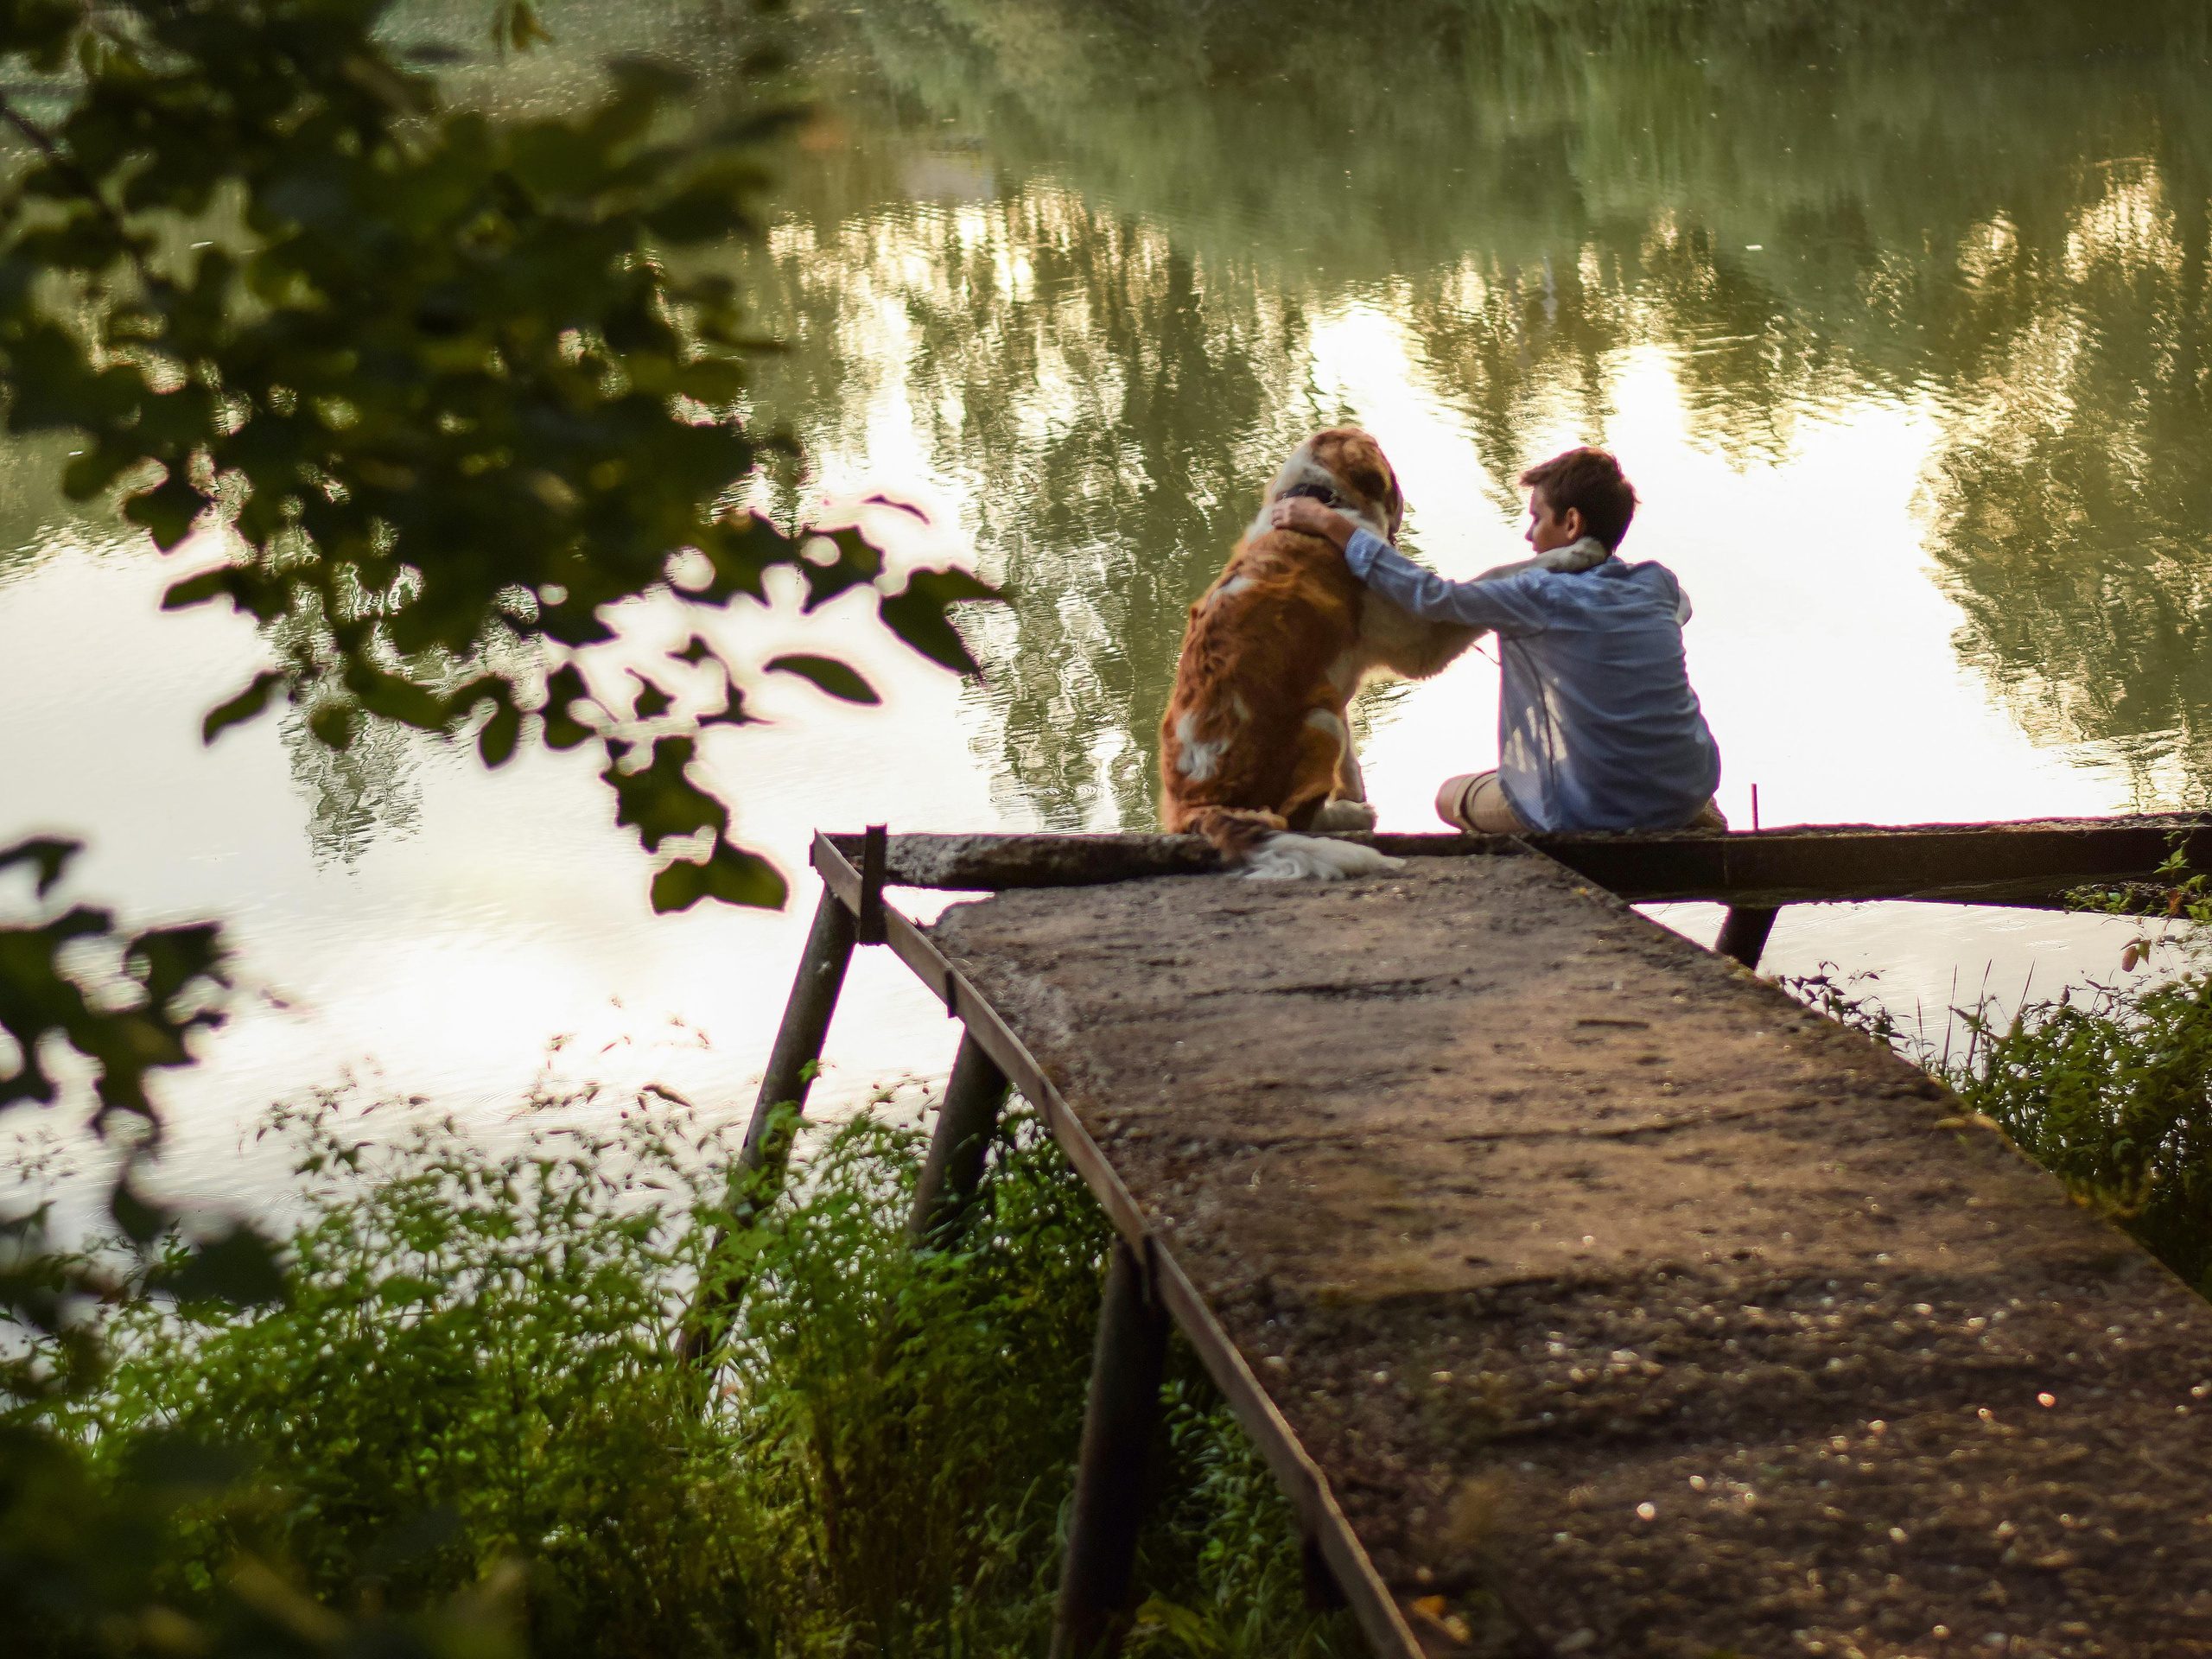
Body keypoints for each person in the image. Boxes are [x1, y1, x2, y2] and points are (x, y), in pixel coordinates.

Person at [1268, 445, 1724, 834]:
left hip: (1585, 812)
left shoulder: (1537, 594)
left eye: (1537, 518)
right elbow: (1681, 609)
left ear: (1571, 524)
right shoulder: (1658, 585)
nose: (1529, 535)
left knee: (1449, 798)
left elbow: (1428, 597)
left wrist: (1334, 525)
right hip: (1687, 791)